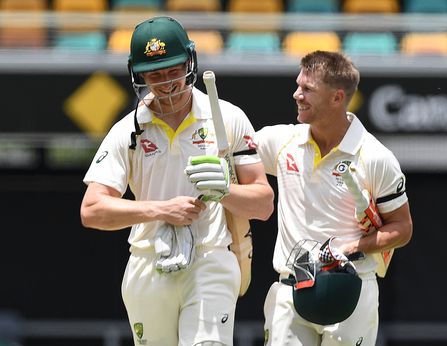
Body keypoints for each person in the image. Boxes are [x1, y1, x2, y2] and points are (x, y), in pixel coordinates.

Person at [80, 16, 274, 346]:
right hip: (148, 262)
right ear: (138, 75)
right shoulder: (128, 130)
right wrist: (160, 210)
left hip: (210, 258)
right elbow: (92, 210)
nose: (168, 83)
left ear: (190, 62)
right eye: (156, 75)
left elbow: (264, 204)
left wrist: (225, 191)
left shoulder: (227, 117)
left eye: (174, 70)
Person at [255, 51, 413, 345]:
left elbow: (402, 229)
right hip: (291, 290)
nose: (296, 95)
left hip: (350, 292)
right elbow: (235, 150)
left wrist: (353, 246)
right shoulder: (282, 141)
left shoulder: (376, 158)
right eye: (298, 85)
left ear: (337, 98)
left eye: (307, 90)